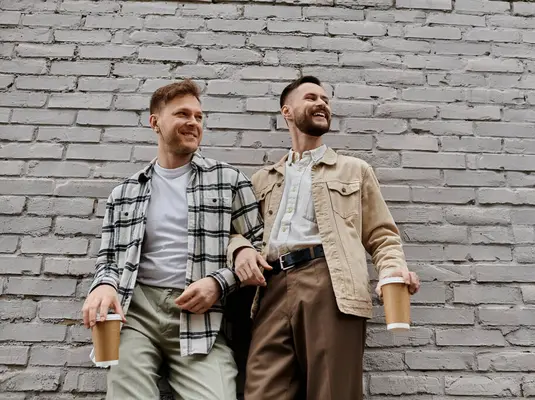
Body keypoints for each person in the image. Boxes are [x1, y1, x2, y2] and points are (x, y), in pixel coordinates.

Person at [228, 75, 421, 400]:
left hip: (330, 284)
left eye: (326, 100)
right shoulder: (262, 179)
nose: (322, 103)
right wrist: (239, 249)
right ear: (287, 111)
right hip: (270, 290)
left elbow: (382, 235)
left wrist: (392, 271)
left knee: (332, 392)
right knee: (260, 391)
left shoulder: (353, 170)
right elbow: (236, 232)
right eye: (311, 97)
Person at [81, 79, 264, 399]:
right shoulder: (124, 193)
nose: (193, 122)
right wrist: (104, 285)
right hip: (135, 314)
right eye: (182, 114)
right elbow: (108, 258)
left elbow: (259, 247)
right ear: (155, 122)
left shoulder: (229, 180)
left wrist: (218, 283)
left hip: (201, 319)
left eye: (198, 116)